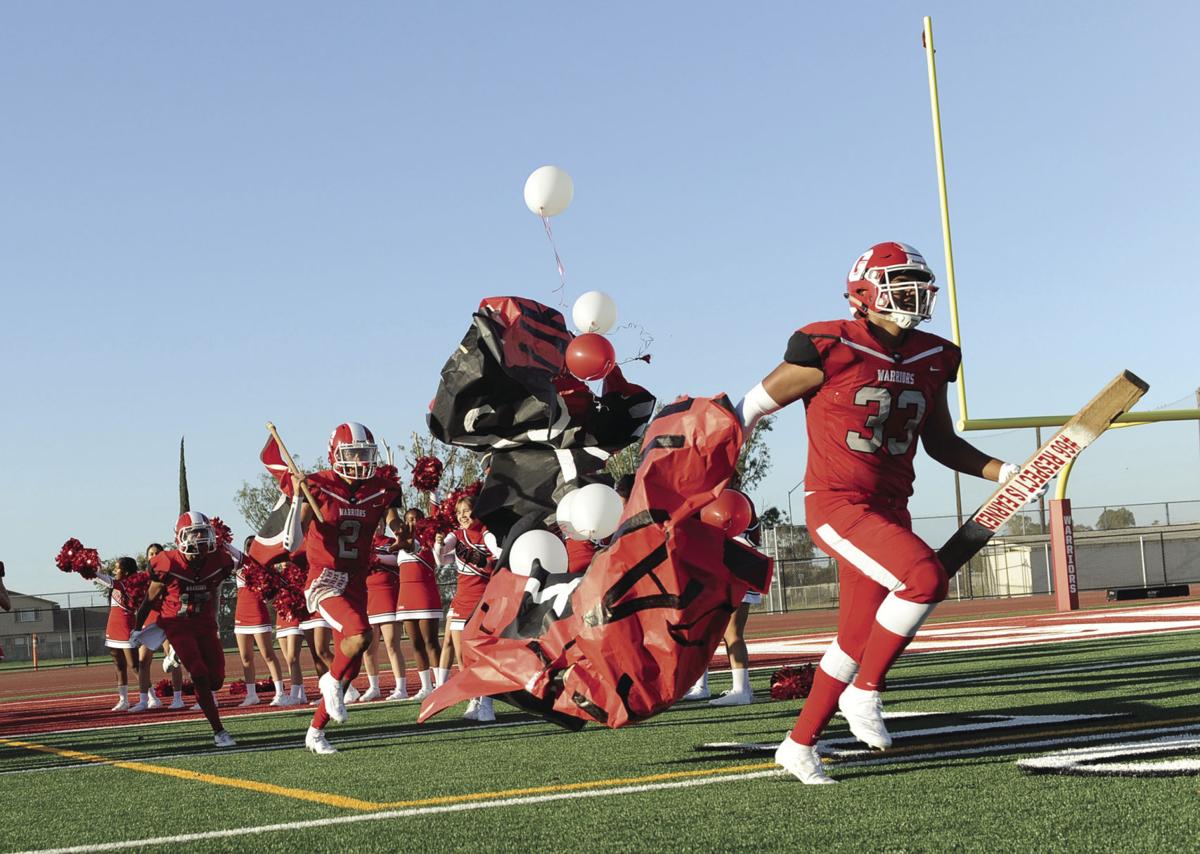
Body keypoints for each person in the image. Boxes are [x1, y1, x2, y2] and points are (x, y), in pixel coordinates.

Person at [734, 242, 1029, 784]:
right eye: (900, 280)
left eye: (919, 281)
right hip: (838, 502)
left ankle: (798, 745)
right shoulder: (830, 344)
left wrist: (1003, 472)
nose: (914, 292)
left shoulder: (935, 355)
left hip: (892, 508)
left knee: (855, 636)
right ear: (863, 292)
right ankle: (866, 690)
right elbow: (748, 408)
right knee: (924, 578)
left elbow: (942, 444)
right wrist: (720, 473)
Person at [283, 422, 405, 755]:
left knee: (349, 664)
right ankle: (329, 681)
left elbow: (394, 517)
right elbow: (291, 541)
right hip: (325, 578)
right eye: (353, 454)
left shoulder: (382, 487)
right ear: (335, 455)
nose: (360, 461)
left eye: (365, 454)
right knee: (360, 634)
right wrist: (297, 499)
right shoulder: (319, 486)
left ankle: (315, 732)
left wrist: (400, 531)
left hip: (356, 580)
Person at [131, 512, 237, 747]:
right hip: (176, 623)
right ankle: (219, 731)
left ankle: (176, 655)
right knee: (199, 675)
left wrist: (216, 619)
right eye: (193, 533)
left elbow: (215, 591)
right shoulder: (167, 562)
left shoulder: (218, 560)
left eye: (203, 532)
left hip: (204, 623)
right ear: (180, 537)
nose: (199, 538)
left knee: (216, 681)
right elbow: (150, 599)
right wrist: (137, 627)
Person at [435, 494, 500, 722]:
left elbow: (501, 558)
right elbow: (442, 559)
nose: (462, 515)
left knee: (481, 655)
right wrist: (438, 543)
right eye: (459, 511)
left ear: (477, 512)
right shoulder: (457, 535)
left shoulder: (487, 534)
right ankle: (474, 699)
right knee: (462, 657)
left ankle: (488, 703)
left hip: (482, 602)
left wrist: (486, 561)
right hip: (461, 602)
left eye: (467, 511)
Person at [394, 508, 443, 701]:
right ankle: (426, 686)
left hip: (425, 594)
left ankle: (441, 683)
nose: (413, 522)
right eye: (409, 519)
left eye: (416, 519)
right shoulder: (399, 542)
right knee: (415, 643)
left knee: (431, 641)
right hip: (405, 596)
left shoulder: (427, 542)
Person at [233, 537, 287, 707]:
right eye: (248, 545)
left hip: (258, 614)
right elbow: (228, 550)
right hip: (241, 615)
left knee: (268, 654)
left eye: (253, 545)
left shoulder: (265, 565)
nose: (251, 548)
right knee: (246, 657)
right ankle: (251, 695)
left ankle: (280, 693)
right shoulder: (239, 564)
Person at [358, 525, 408, 701]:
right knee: (368, 649)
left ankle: (401, 688)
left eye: (379, 522)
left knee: (391, 644)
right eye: (374, 522)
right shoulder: (360, 543)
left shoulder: (391, 542)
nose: (376, 526)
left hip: (388, 595)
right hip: (367, 597)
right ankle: (374, 687)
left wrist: (375, 557)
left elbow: (397, 561)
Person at [95, 557, 142, 711]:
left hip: (126, 627)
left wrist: (91, 571)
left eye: (117, 568)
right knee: (118, 664)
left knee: (134, 665)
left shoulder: (129, 584)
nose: (115, 571)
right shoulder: (118, 583)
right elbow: (103, 579)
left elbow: (104, 580)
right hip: (112, 626)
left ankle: (149, 696)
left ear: (126, 571)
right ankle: (123, 699)